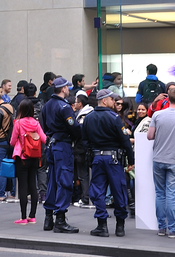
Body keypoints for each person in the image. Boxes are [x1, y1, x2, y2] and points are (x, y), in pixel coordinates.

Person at [83, 89, 133, 237]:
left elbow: (85, 141)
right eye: (112, 99)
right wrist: (130, 161)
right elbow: (125, 141)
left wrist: (92, 155)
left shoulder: (88, 118)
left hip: (97, 158)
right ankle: (120, 226)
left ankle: (102, 225)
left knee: (98, 192)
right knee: (119, 191)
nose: (114, 102)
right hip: (114, 159)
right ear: (104, 101)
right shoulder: (114, 118)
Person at [148, 83, 175, 238]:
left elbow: (149, 136)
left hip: (158, 158)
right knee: (171, 195)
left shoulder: (157, 115)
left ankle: (162, 227)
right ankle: (173, 229)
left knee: (160, 194)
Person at [42, 76, 80, 234]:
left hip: (51, 145)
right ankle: (60, 220)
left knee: (52, 181)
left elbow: (43, 126)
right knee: (64, 181)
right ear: (63, 89)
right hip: (62, 146)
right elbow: (75, 128)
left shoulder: (46, 105)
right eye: (67, 87)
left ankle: (48, 218)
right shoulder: (64, 107)